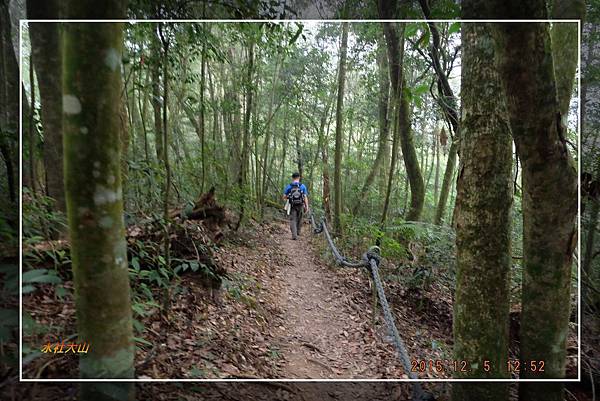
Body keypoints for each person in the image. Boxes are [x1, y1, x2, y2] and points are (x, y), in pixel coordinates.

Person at [283, 172, 309, 240]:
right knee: (300, 218)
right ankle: (298, 232)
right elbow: (305, 197)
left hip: (292, 205)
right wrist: (307, 206)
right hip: (301, 205)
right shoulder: (303, 186)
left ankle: (294, 235)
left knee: (293, 220)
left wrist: (289, 197)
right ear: (299, 177)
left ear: (292, 178)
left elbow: (284, 197)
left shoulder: (289, 186)